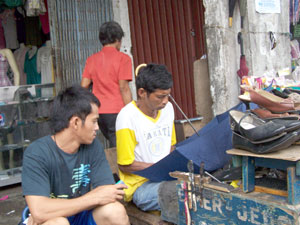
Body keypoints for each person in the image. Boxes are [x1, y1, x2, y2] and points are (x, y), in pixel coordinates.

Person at [22, 85, 129, 225]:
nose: (97, 128)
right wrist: (94, 197)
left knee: (115, 212)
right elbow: (40, 211)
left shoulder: (93, 146)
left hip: (80, 214)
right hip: (53, 219)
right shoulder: (37, 153)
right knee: (58, 223)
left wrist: (97, 197)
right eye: (94, 121)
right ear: (76, 122)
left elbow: (107, 193)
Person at [116, 63, 177, 212]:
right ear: (142, 92)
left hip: (165, 178)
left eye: (168, 95)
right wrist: (157, 169)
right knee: (185, 193)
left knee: (201, 188)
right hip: (140, 186)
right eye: (160, 96)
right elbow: (125, 164)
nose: (165, 101)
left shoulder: (168, 109)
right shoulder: (127, 117)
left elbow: (171, 144)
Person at [81, 21, 133, 148]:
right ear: (117, 40)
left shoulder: (91, 59)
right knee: (120, 148)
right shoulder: (123, 59)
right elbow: (124, 88)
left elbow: (83, 87)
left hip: (98, 113)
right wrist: (132, 112)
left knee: (113, 143)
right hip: (117, 112)